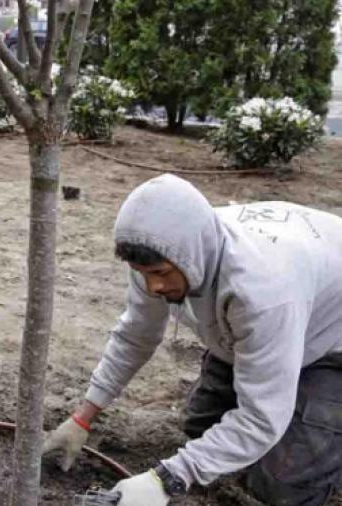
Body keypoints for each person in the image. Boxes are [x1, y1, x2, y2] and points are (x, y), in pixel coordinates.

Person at [42, 174, 342, 505]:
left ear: (191, 256)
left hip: (332, 341)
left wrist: (166, 480)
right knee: (203, 427)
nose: (153, 286)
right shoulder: (163, 252)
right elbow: (134, 337)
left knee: (280, 486)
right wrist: (83, 416)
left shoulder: (262, 293)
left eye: (159, 273)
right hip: (274, 323)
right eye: (145, 274)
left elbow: (261, 420)